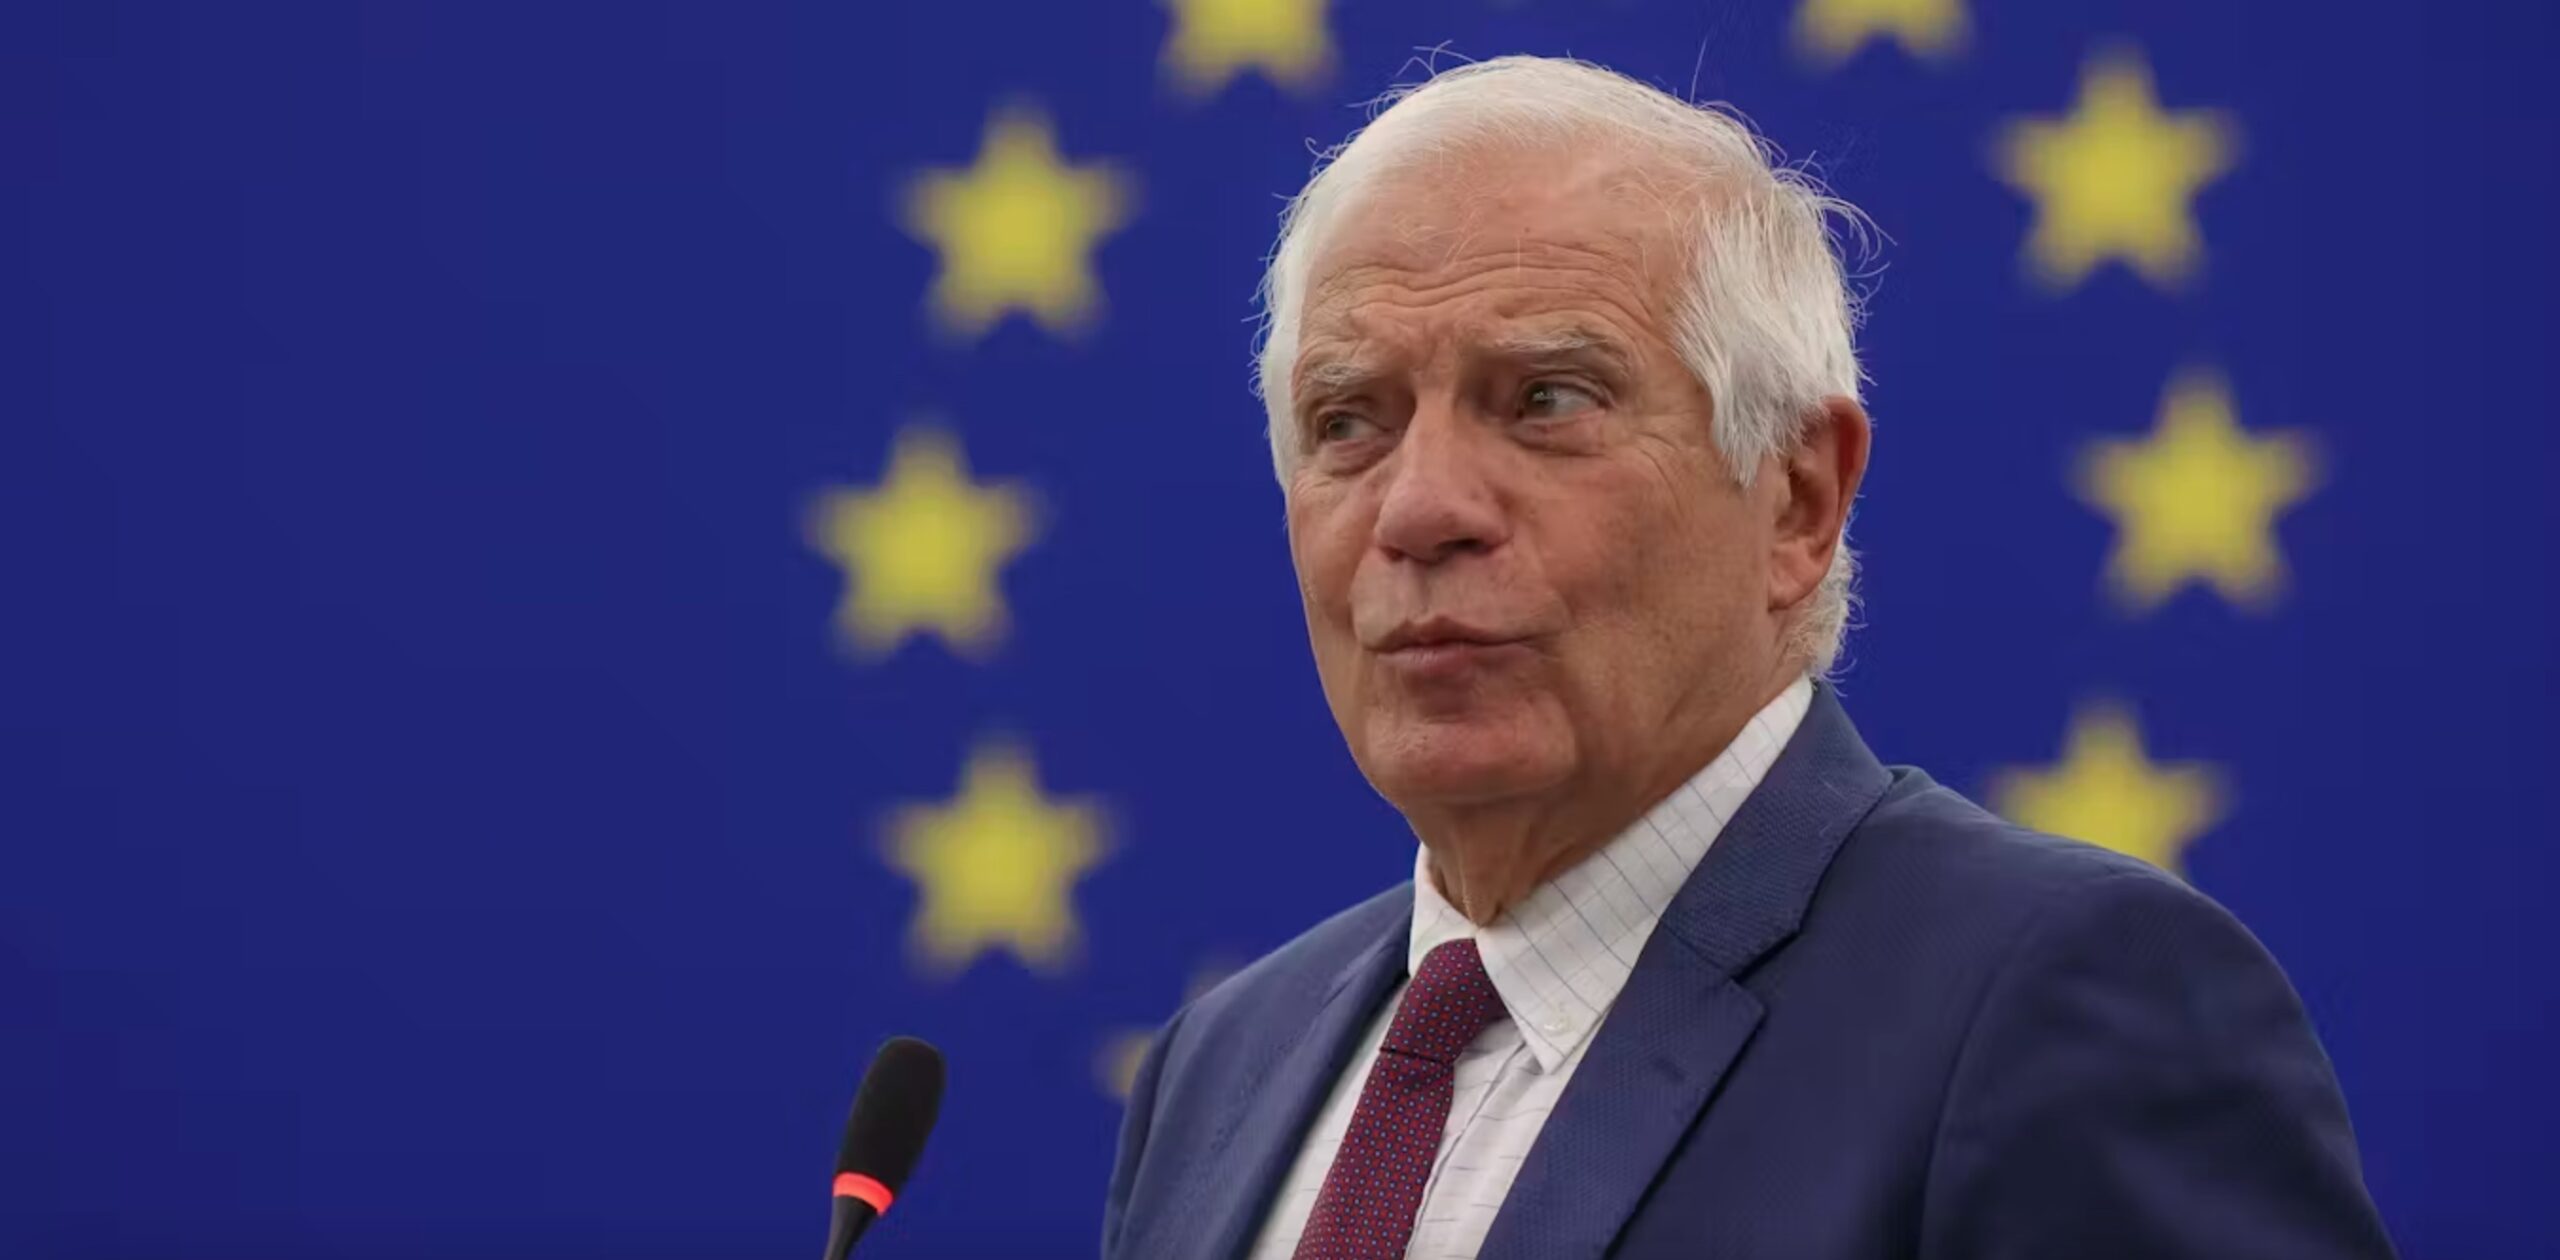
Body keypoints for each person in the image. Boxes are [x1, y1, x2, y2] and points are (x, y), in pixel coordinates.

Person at [1101, 55, 2395, 1260]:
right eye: (1348, 420)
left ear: (1798, 501)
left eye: (1547, 398)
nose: (1421, 506)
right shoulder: (1223, 1063)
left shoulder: (2062, 1006)